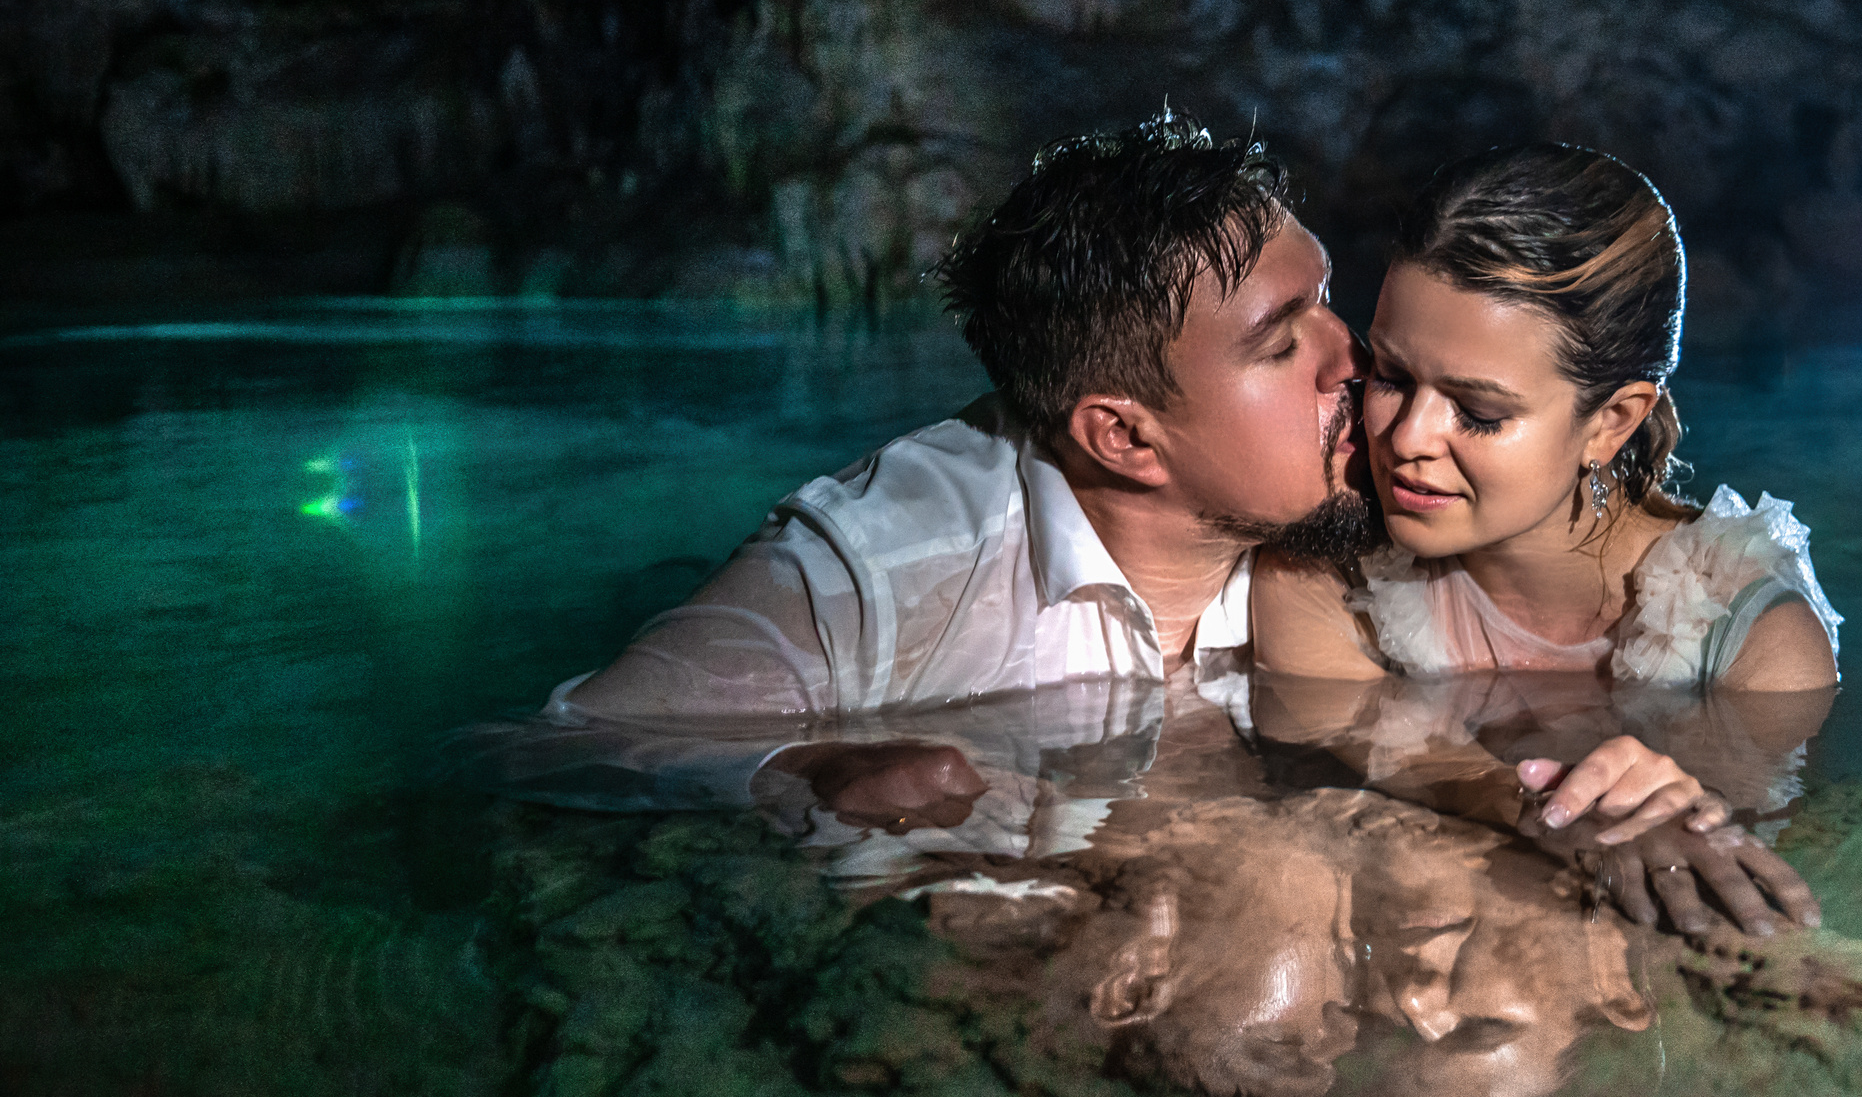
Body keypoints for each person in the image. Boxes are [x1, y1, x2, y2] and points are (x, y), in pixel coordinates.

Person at [522, 112, 1690, 841]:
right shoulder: (884, 569)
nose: (1360, 362)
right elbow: (549, 746)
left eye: (1328, 300)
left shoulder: (1391, 486)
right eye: (1285, 342)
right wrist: (804, 763)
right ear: (1124, 437)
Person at [1253, 143, 1842, 936]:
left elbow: (1741, 852)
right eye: (1391, 375)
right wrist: (1537, 803)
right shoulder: (1323, 566)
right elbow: (1334, 727)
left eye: (1479, 412)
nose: (1406, 436)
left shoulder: (1749, 640)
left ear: (1612, 421)